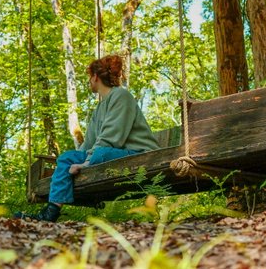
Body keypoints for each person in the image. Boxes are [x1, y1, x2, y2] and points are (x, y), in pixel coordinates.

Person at [18, 54, 160, 221]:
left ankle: (52, 210)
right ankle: (50, 213)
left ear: (95, 77)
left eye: (89, 77)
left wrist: (85, 163)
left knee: (100, 154)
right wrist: (79, 159)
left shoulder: (121, 96)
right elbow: (88, 145)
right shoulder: (99, 108)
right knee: (67, 157)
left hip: (141, 154)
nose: (88, 81)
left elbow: (112, 138)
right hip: (114, 154)